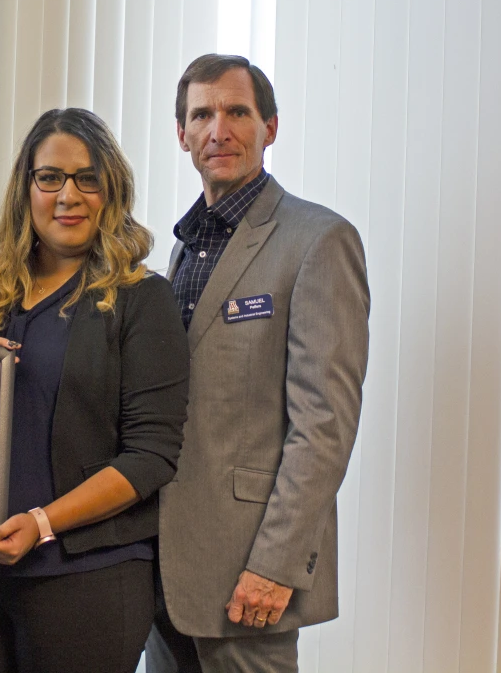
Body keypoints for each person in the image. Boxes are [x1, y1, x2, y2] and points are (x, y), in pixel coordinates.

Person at [0, 108, 190, 673]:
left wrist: (43, 522)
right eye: (49, 177)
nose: (67, 195)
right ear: (26, 189)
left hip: (88, 576)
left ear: (111, 190)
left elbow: (151, 457)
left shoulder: (142, 299)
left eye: (87, 178)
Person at [147, 55, 370, 673]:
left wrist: (276, 565)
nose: (219, 129)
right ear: (181, 133)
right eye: (202, 114)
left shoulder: (318, 241)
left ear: (270, 127)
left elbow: (324, 425)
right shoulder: (184, 249)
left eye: (236, 112)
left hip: (248, 571)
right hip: (167, 571)